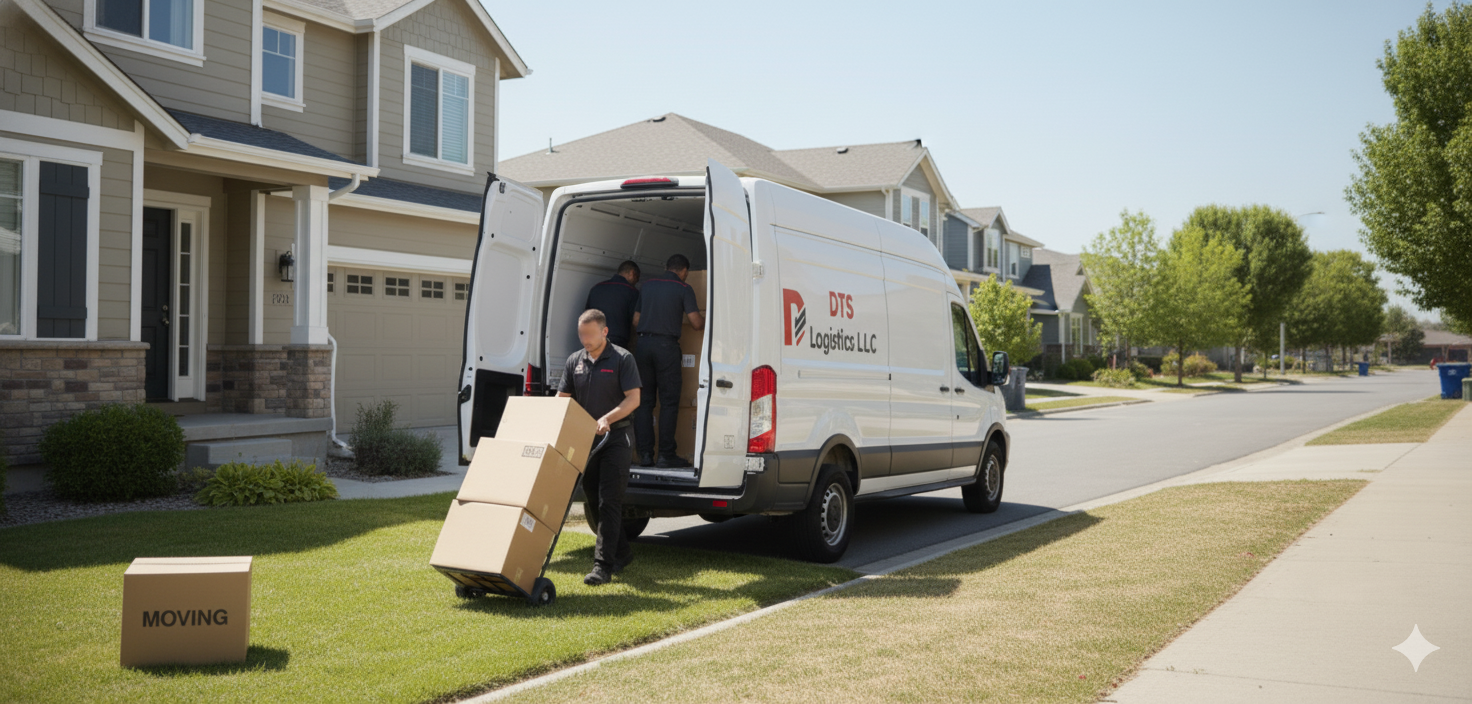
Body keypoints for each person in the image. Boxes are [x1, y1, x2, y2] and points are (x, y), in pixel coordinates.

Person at [558, 309, 642, 586]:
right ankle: (623, 552)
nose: (585, 340)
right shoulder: (575, 361)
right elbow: (563, 398)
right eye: (581, 335)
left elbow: (633, 400)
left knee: (609, 501)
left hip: (616, 439)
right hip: (587, 440)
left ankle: (602, 566)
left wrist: (607, 418)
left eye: (590, 335)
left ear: (604, 332)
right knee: (593, 500)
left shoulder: (622, 359)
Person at [633, 253, 704, 468]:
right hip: (667, 348)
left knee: (644, 403)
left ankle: (645, 455)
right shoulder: (684, 289)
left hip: (643, 346)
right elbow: (695, 323)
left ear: (666, 266)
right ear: (685, 272)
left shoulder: (647, 285)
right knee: (669, 403)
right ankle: (665, 455)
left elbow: (636, 320)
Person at [584, 261, 641, 348]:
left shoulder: (596, 288)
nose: (636, 282)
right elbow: (635, 321)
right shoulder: (632, 292)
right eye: (637, 278)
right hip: (616, 341)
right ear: (632, 273)